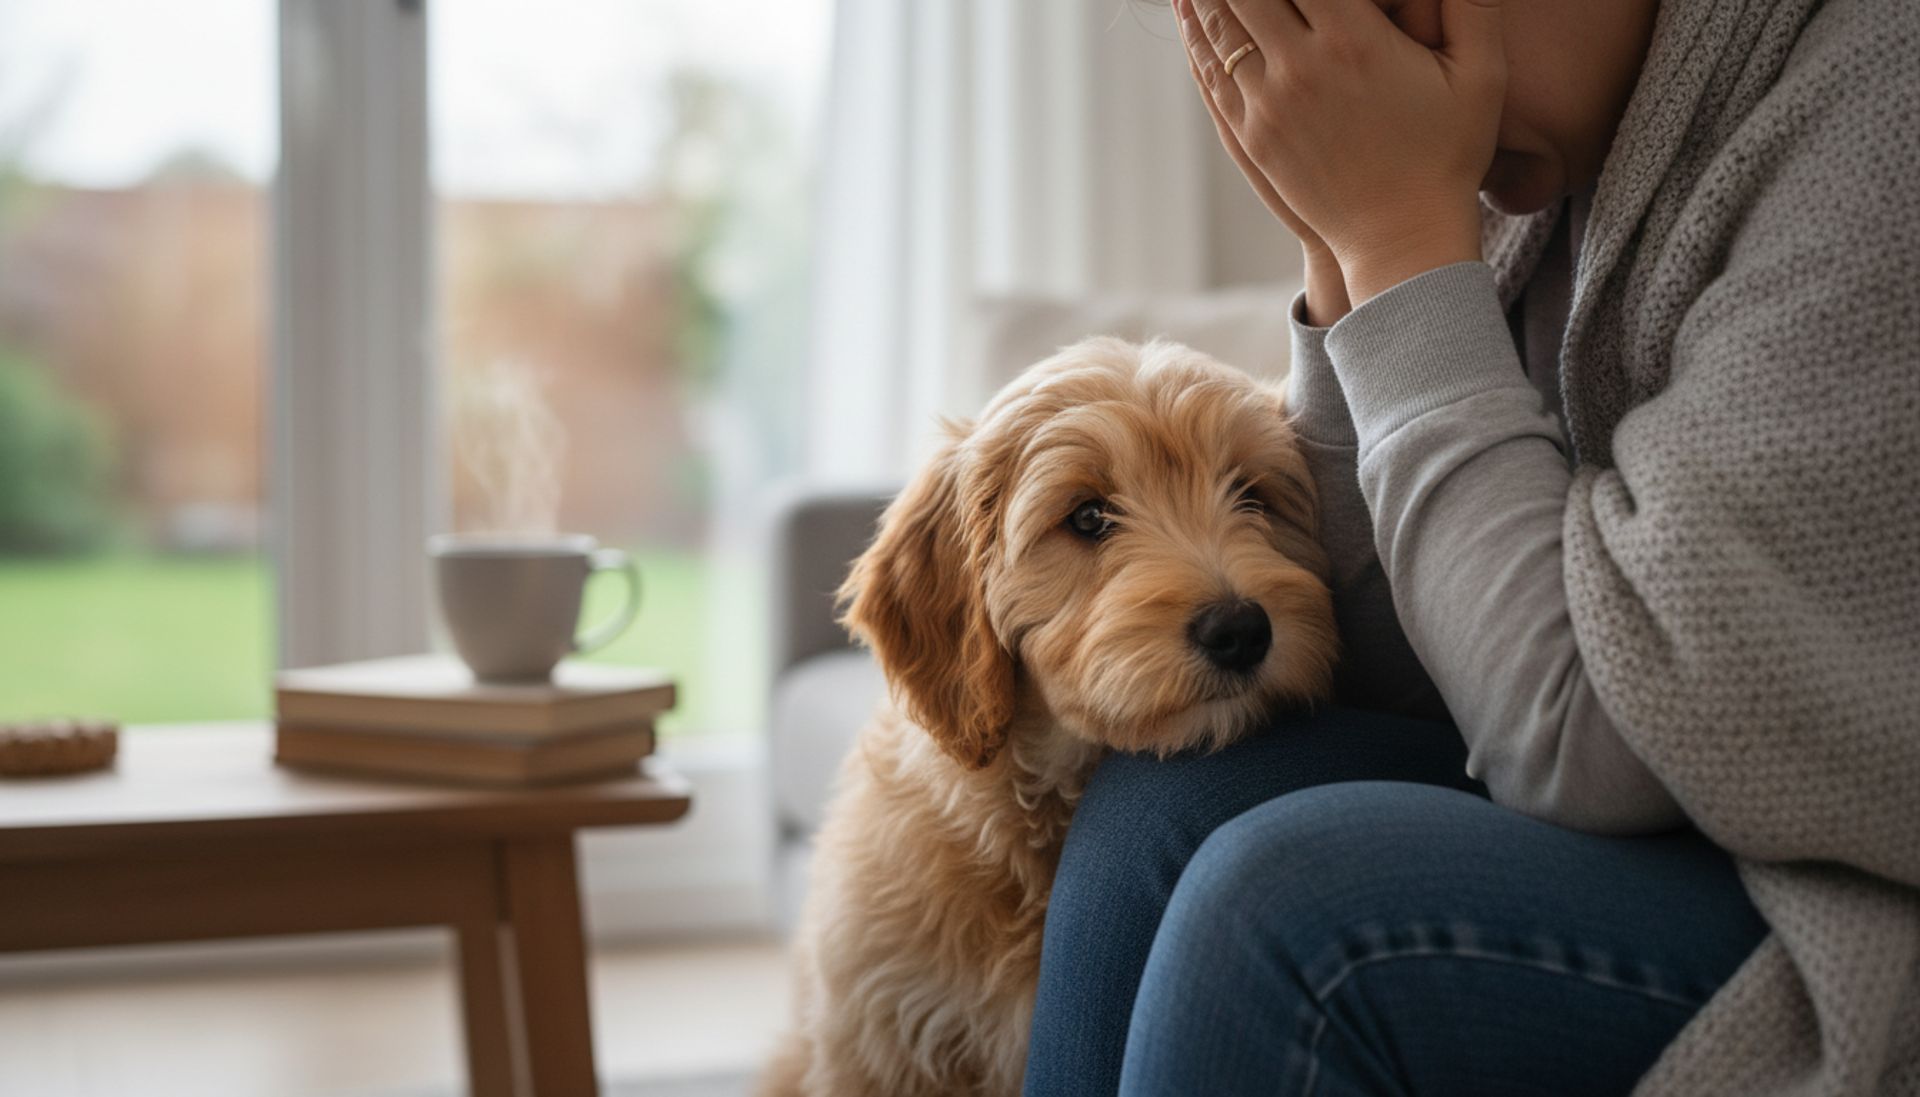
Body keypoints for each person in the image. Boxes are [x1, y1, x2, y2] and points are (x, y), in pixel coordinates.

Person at [1021, 0, 1920, 1093]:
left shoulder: (1883, 114)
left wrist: (1397, 243)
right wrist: (1342, 254)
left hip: (1856, 908)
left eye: (1379, 10)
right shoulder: (1543, 169)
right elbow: (1400, 668)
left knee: (1287, 911)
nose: (1357, 73)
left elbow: (1587, 739)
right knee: (1157, 811)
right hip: (1695, 833)